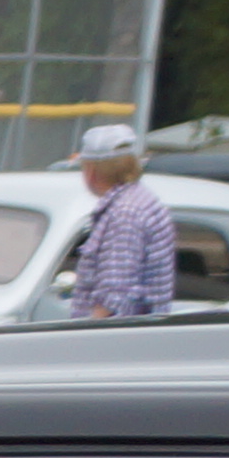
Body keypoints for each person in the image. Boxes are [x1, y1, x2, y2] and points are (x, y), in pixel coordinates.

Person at [65, 126, 178, 323]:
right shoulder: (141, 200)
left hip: (115, 342)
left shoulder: (124, 214)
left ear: (91, 171)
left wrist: (84, 338)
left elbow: (113, 298)